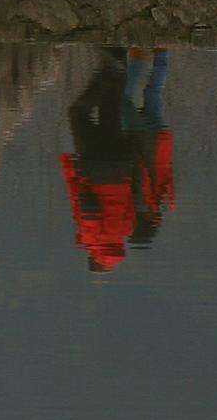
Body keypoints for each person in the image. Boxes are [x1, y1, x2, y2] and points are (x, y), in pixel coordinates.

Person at [60, 48, 174, 272]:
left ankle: (118, 59)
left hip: (122, 166)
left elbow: (134, 192)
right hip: (95, 167)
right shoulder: (93, 238)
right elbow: (86, 203)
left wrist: (132, 160)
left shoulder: (125, 230)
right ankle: (111, 68)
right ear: (94, 257)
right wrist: (71, 171)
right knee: (78, 112)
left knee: (109, 112)